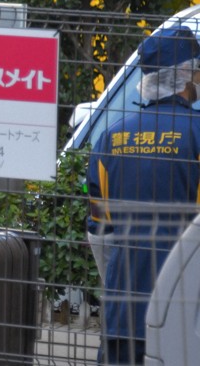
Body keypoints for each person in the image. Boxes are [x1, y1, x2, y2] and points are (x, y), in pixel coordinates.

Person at [87, 26, 200, 365]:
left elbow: (99, 236)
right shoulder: (197, 137)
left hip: (122, 311)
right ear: (185, 76)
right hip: (183, 315)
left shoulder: (109, 139)